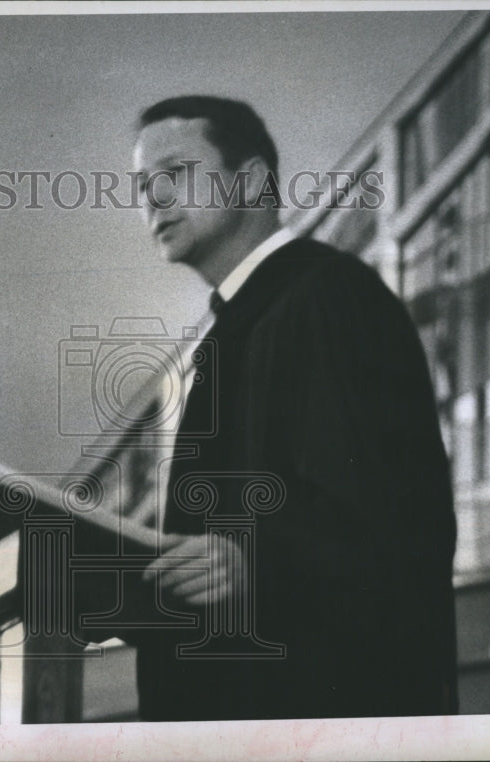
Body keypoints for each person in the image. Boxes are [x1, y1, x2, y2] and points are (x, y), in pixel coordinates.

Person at [118, 95, 458, 721]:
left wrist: (252, 561)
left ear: (249, 180)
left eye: (175, 174)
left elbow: (388, 514)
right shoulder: (247, 319)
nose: (153, 200)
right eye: (142, 185)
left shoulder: (329, 296)